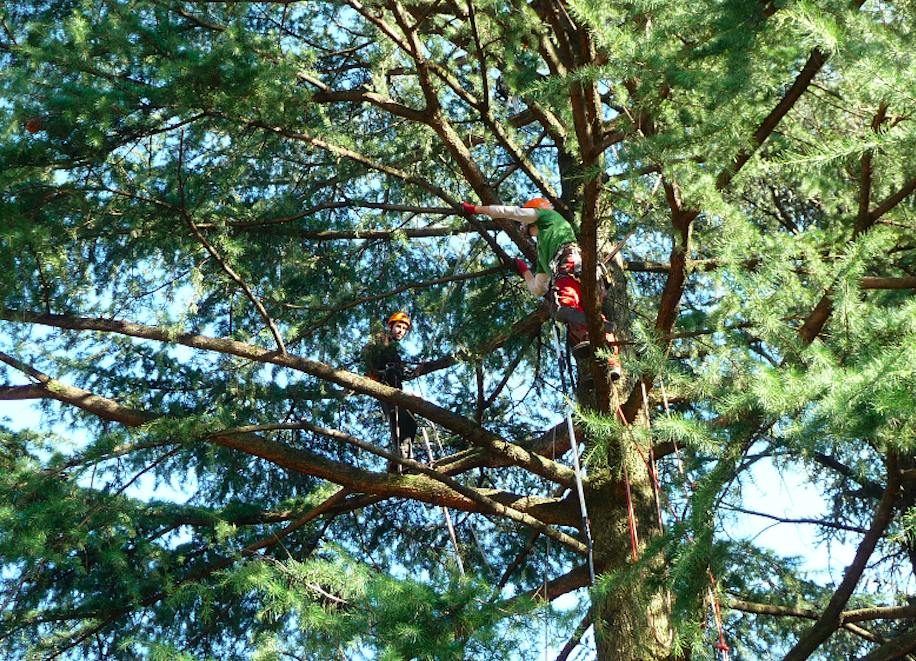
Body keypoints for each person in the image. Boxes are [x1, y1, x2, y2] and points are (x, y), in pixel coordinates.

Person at [461, 198, 622, 381]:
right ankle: (608, 365)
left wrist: (476, 209)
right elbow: (538, 289)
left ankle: (585, 321)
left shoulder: (550, 217)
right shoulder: (544, 254)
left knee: (566, 304)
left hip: (571, 267)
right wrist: (525, 270)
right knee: (578, 326)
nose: (523, 224)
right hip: (580, 276)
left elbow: (514, 212)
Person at [361, 311, 422, 474]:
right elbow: (368, 353)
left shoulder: (395, 351)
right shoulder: (382, 339)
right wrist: (378, 372)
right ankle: (400, 460)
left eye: (404, 328)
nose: (401, 330)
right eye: (398, 327)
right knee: (399, 420)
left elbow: (398, 372)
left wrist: (411, 373)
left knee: (410, 421)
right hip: (384, 388)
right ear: (391, 326)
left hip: (395, 390)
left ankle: (403, 458)